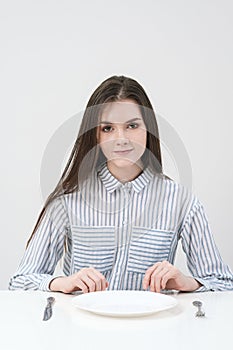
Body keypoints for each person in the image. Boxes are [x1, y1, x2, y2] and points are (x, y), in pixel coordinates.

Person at [9, 75, 233, 294]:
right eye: (107, 128)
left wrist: (188, 283)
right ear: (95, 135)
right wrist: (61, 283)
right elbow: (20, 282)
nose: (121, 138)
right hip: (81, 330)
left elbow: (223, 284)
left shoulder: (181, 201)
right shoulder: (68, 200)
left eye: (132, 126)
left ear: (149, 129)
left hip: (154, 329)